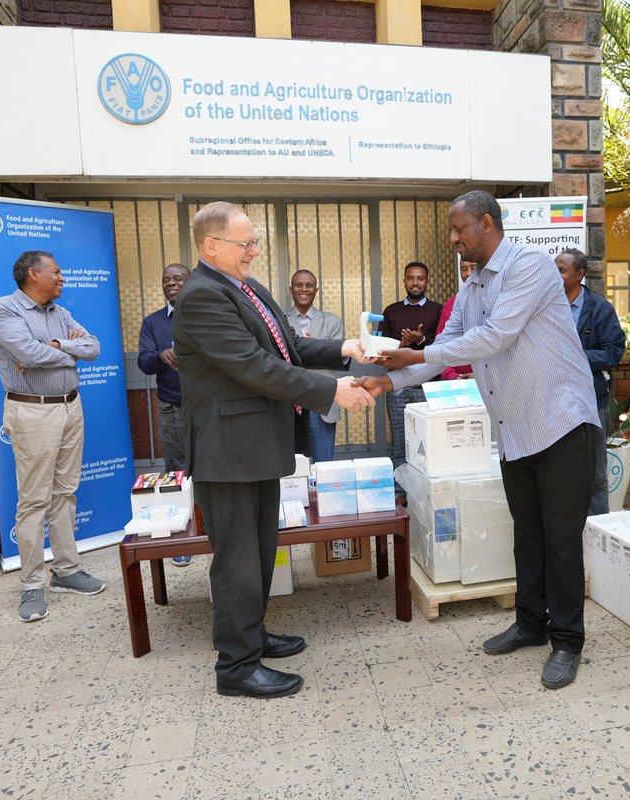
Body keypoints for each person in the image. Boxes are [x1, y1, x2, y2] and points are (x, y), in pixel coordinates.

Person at [360, 191, 601, 690]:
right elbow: (447, 346)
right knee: (527, 533)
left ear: (486, 224)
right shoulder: (471, 288)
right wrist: (387, 381)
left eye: (458, 230)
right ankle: (532, 623)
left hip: (559, 423)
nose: (454, 240)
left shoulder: (529, 266)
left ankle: (568, 640)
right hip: (515, 430)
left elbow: (495, 337)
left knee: (560, 539)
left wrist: (411, 357)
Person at [173, 201, 375, 699]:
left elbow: (284, 348)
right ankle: (236, 666)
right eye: (246, 244)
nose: (254, 251)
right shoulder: (202, 297)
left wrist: (343, 348)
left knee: (261, 552)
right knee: (237, 559)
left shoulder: (245, 288)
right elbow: (253, 367)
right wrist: (330, 391)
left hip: (257, 447)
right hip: (229, 452)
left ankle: (253, 634)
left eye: (254, 242)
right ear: (211, 245)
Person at [0, 250, 106, 623]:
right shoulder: (3, 310)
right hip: (33, 409)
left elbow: (94, 347)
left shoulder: (60, 313)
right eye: (56, 273)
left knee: (65, 492)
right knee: (34, 499)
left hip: (71, 406)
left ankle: (67, 571)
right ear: (33, 274)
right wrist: (64, 350)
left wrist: (57, 347)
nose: (62, 278)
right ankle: (32, 584)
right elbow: (25, 354)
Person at [555, 248, 626, 515]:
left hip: (591, 402)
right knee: (559, 473)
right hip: (552, 402)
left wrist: (575, 356)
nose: (554, 275)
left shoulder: (600, 309)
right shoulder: (545, 306)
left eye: (561, 270)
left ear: (580, 274)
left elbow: (613, 352)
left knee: (595, 473)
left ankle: (599, 531)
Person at [137, 262, 194, 566]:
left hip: (209, 408)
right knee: (176, 472)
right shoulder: (153, 323)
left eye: (177, 279)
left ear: (190, 282)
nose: (171, 283)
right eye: (166, 279)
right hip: (173, 408)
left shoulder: (207, 317)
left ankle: (211, 532)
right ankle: (181, 539)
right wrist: (160, 355)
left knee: (213, 468)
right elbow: (144, 363)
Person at [378, 261, 444, 474]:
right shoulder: (391, 311)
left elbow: (446, 345)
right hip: (397, 387)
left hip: (429, 385)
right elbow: (380, 348)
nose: (415, 283)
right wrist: (401, 345)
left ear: (427, 281)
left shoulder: (438, 310)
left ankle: (423, 493)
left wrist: (421, 338)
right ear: (404, 280)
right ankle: (400, 492)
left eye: (420, 278)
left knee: (429, 442)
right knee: (400, 442)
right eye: (411, 278)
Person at [285, 269, 346, 462]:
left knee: (324, 465)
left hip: (323, 400)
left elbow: (338, 360)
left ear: (316, 290)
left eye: (309, 285)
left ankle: (322, 494)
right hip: (290, 402)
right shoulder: (279, 320)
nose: (304, 289)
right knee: (293, 467)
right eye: (299, 285)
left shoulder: (333, 322)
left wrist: (312, 347)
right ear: (291, 289)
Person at [438, 259, 475, 381]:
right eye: (464, 269)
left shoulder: (496, 299)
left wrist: (482, 376)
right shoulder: (451, 303)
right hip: (456, 383)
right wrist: (453, 377)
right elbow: (441, 346)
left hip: (491, 383)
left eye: (473, 268)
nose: (468, 273)